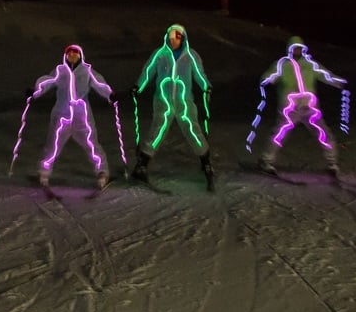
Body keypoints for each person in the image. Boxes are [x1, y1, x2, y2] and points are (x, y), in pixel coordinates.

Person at [131, 24, 215, 191]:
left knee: (193, 131)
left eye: (176, 38)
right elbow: (148, 70)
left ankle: (206, 162)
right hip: (163, 101)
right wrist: (138, 86)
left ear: (182, 38)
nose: (173, 41)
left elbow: (199, 73)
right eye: (170, 38)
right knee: (157, 131)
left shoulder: (191, 55)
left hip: (184, 102)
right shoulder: (160, 54)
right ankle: (142, 165)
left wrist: (206, 86)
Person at [252, 36, 350, 179]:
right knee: (279, 135)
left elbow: (326, 75)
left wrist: (340, 83)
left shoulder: (310, 64)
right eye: (295, 48)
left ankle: (332, 164)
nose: (297, 50)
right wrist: (269, 79)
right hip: (290, 108)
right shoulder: (282, 64)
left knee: (324, 134)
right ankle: (266, 161)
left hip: (310, 107)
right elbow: (267, 77)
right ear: (290, 49)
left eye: (300, 48)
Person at [25, 44, 116, 189]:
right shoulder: (60, 70)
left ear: (80, 56)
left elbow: (100, 83)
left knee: (92, 144)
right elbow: (46, 81)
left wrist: (110, 95)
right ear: (66, 56)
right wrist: (34, 91)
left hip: (82, 117)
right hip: (62, 115)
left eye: (76, 55)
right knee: (53, 145)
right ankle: (44, 172)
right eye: (70, 55)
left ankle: (102, 172)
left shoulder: (87, 71)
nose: (73, 57)